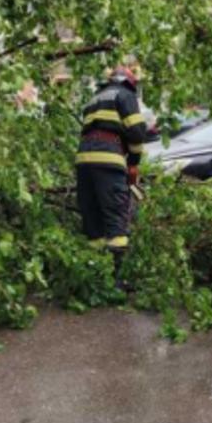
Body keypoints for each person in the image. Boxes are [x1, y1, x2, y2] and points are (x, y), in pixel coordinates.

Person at [75, 63, 149, 286]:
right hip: (108, 160)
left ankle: (95, 277)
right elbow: (137, 132)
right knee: (116, 220)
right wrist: (134, 164)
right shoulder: (125, 95)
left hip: (84, 162)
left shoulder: (94, 99)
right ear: (128, 82)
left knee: (93, 220)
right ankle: (117, 281)